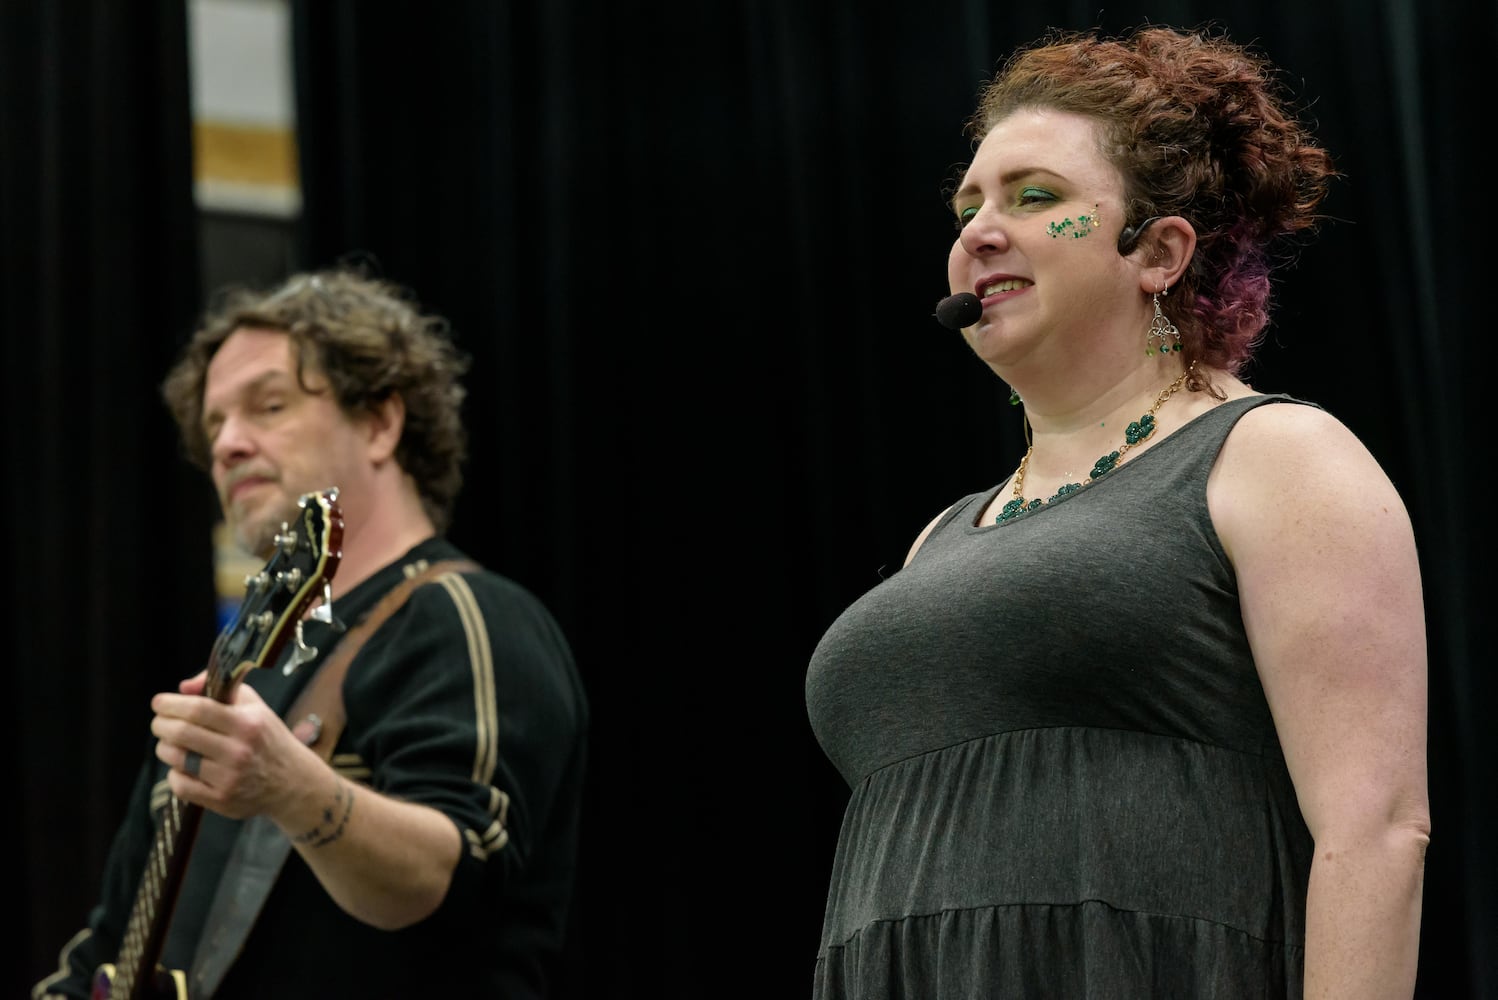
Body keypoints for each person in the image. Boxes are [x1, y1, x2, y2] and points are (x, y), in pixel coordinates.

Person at [805, 24, 1428, 999]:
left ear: (1160, 252)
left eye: (1033, 197)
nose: (977, 231)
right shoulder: (942, 534)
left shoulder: (1274, 459)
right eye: (967, 205)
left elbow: (1376, 830)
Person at [33, 268, 589, 999]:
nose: (228, 444)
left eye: (269, 404)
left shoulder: (468, 616)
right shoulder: (235, 684)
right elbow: (107, 948)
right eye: (213, 426)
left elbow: (450, 882)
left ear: (382, 423)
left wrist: (290, 789)